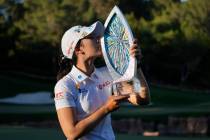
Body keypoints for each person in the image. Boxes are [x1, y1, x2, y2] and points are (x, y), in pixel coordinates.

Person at [54, 21, 150, 140]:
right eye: (92, 37)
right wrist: (106, 108)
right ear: (78, 49)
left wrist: (136, 65)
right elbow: (71, 133)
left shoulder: (107, 73)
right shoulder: (65, 85)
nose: (99, 40)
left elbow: (142, 98)